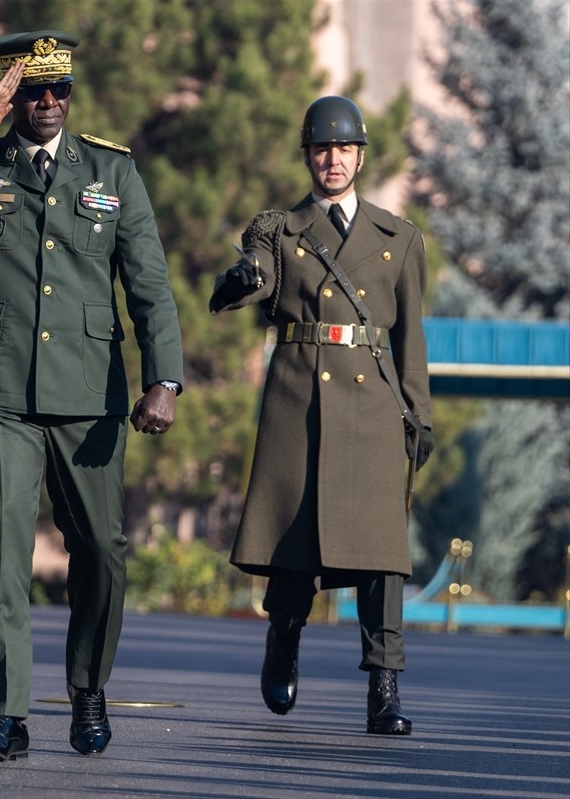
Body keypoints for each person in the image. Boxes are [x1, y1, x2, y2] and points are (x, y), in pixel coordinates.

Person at [0, 30, 184, 761]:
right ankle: (6, 714)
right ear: (11, 96)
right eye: (32, 91)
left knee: (103, 550)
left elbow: (148, 283)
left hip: (89, 392)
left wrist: (164, 378)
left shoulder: (112, 170)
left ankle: (88, 688)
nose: (48, 102)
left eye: (60, 90)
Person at [209, 96, 434, 735]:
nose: (331, 160)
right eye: (320, 149)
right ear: (307, 156)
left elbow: (411, 340)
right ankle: (283, 633)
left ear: (360, 155)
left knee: (382, 554)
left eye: (342, 149)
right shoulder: (279, 230)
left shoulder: (400, 238)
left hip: (373, 408)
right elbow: (259, 273)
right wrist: (241, 281)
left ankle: (384, 687)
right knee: (293, 544)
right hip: (298, 401)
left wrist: (418, 415)